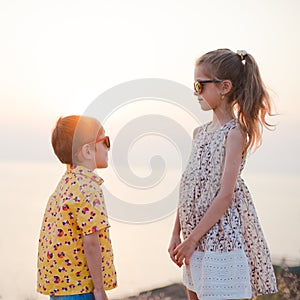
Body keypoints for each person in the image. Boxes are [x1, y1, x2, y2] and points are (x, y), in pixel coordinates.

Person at [168, 49, 278, 300]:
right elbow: (189, 187)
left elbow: (226, 195)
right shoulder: (199, 133)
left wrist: (192, 239)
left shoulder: (234, 133)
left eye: (200, 85)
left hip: (220, 241)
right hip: (193, 241)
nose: (196, 92)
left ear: (224, 87)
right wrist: (176, 233)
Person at [37, 115, 117, 300]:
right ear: (88, 151)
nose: (108, 147)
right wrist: (99, 289)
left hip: (61, 288)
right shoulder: (88, 188)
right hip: (80, 289)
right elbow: (91, 242)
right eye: (105, 141)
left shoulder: (66, 182)